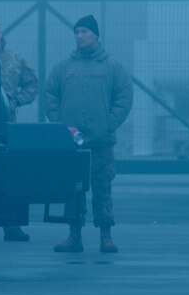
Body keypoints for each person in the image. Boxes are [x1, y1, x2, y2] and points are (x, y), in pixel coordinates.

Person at [43, 13, 132, 254]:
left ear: (96, 35)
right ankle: (74, 236)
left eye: (84, 32)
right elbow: (49, 93)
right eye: (77, 32)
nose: (79, 36)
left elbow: (124, 95)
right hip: (73, 144)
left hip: (101, 143)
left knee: (102, 189)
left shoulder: (112, 66)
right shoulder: (64, 67)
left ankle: (106, 236)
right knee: (74, 190)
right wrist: (60, 124)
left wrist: (110, 124)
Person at [0, 15, 40, 241]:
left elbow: (33, 84)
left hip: (6, 127)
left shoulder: (15, 59)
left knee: (10, 174)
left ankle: (12, 225)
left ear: (1, 33)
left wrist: (17, 100)